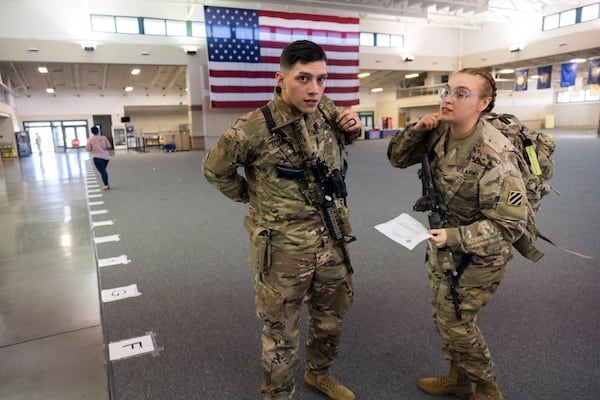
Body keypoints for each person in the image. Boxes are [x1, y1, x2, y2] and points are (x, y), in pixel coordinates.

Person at [202, 40, 362, 400]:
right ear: (280, 79)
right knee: (280, 332)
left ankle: (319, 374)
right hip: (284, 251)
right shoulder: (252, 128)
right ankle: (278, 395)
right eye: (304, 78)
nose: (314, 89)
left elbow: (343, 142)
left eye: (321, 80)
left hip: (332, 239)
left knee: (330, 317)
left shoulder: (326, 111)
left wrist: (353, 128)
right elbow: (214, 170)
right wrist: (251, 196)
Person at [387, 68, 528, 400]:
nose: (448, 99)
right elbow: (397, 158)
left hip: (483, 251)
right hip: (445, 239)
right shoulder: (439, 132)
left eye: (461, 93)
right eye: (447, 91)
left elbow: (508, 226)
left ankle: (487, 388)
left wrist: (452, 238)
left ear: (484, 103)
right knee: (444, 310)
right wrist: (417, 129)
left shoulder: (496, 155)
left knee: (456, 319)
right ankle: (459, 378)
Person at [86, 126, 112, 190]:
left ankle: (106, 185)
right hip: (106, 157)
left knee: (102, 171)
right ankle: (106, 183)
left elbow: (88, 149)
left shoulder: (90, 139)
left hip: (97, 157)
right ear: (98, 131)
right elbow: (109, 146)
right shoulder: (104, 138)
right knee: (103, 170)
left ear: (92, 132)